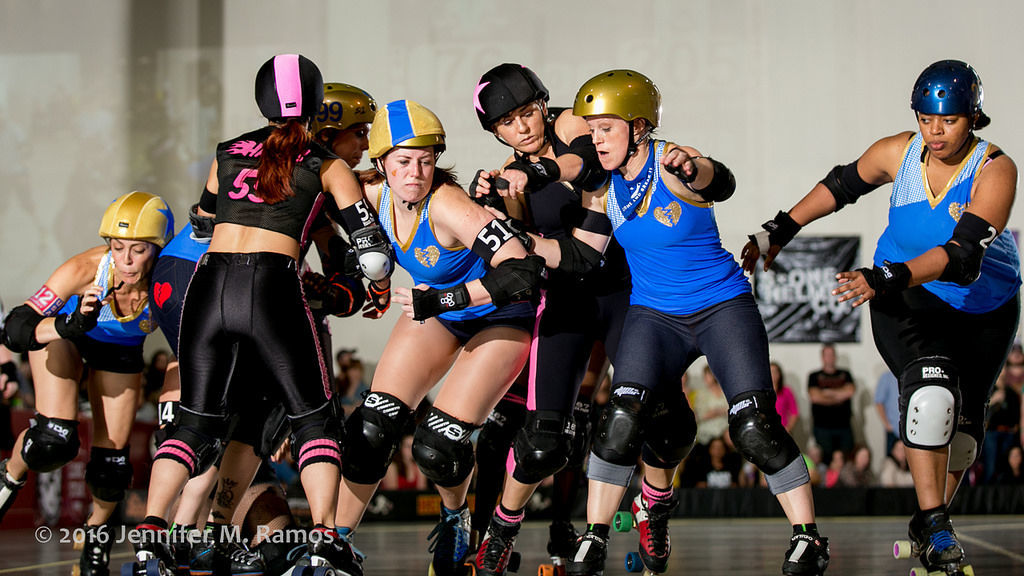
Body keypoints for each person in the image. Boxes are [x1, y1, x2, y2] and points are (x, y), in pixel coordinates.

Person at [528, 69, 829, 576]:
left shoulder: (672, 164)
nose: (595, 139)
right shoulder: (603, 190)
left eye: (606, 128)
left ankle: (808, 537)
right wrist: (522, 242)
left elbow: (723, 182)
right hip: (655, 315)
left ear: (640, 127)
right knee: (622, 419)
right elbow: (583, 256)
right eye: (591, 130)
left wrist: (696, 166)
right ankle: (596, 537)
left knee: (753, 427)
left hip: (721, 307)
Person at [742, 59, 1019, 575]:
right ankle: (937, 526)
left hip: (984, 308)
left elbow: (962, 260)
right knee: (931, 394)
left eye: (950, 120)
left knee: (962, 439)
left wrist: (885, 276)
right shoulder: (899, 152)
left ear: (974, 117)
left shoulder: (995, 168)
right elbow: (842, 186)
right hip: (908, 301)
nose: (935, 132)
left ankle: (926, 521)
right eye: (926, 118)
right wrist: (780, 228)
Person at [127, 54, 390, 576]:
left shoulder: (227, 152)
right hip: (271, 288)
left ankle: (152, 534)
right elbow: (374, 255)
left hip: (208, 287)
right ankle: (323, 540)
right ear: (318, 105)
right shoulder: (327, 164)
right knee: (314, 418)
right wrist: (376, 290)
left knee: (194, 425)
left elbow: (202, 220)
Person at [334, 98, 545, 576]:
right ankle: (337, 542)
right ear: (381, 163)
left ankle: (456, 516)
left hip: (500, 314)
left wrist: (446, 300)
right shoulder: (368, 194)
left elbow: (523, 270)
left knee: (437, 446)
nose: (416, 173)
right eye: (404, 162)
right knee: (371, 427)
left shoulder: (447, 204)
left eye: (427, 162)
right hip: (441, 309)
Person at [468, 63, 630, 575]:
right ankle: (499, 530)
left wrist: (530, 172)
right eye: (508, 123)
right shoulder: (511, 172)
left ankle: (629, 518)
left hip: (622, 287)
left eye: (526, 112)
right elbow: (522, 244)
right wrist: (496, 204)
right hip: (565, 294)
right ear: (496, 131)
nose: (522, 127)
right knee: (543, 435)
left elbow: (589, 168)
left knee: (637, 413)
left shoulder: (568, 125)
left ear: (543, 103)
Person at [0, 191, 173, 576]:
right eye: (117, 246)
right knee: (53, 442)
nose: (125, 261)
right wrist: (68, 323)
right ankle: (9, 474)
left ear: (158, 248)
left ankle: (96, 539)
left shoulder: (171, 276)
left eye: (139, 249)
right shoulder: (88, 268)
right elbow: (16, 328)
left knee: (111, 469)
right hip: (66, 335)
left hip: (120, 351)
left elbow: (190, 341)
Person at [806, 344, 855, 465]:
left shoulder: (845, 374)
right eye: (827, 355)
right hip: (822, 426)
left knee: (845, 459)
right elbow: (815, 397)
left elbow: (849, 392)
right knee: (824, 460)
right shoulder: (814, 376)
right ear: (822, 357)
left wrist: (826, 393)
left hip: (844, 425)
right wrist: (838, 396)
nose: (830, 357)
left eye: (832, 354)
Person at [982, 367, 1020, 483]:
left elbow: (1016, 413)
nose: (1002, 374)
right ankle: (987, 495)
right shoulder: (989, 390)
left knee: (1005, 466)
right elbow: (980, 411)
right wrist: (993, 400)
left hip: (1007, 433)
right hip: (991, 433)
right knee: (990, 466)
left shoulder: (1011, 392)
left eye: (1004, 370)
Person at [874, 369, 901, 456]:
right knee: (891, 462)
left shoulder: (912, 375)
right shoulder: (887, 377)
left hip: (912, 430)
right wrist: (887, 424)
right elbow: (879, 402)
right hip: (894, 429)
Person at [772, 361, 799, 433]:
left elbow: (794, 412)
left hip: (783, 430)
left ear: (779, 374)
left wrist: (788, 428)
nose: (773, 375)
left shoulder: (786, 391)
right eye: (771, 372)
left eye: (775, 372)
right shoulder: (763, 392)